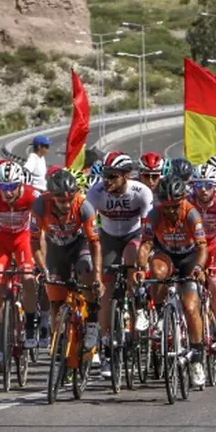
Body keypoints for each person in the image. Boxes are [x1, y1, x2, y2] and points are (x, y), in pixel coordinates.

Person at [86, 151, 154, 378]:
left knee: (133, 254)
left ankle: (140, 302)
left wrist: (140, 264)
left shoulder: (141, 192)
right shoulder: (96, 192)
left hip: (134, 236)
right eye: (105, 175)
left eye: (112, 176)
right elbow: (86, 226)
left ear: (126, 175)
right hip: (108, 238)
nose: (107, 180)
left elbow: (147, 232)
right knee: (105, 294)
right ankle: (106, 346)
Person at [136, 176, 208, 387]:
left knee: (190, 305)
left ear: (182, 201)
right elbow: (146, 244)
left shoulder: (191, 214)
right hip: (165, 254)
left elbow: (202, 247)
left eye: (175, 206)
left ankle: (196, 358)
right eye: (166, 207)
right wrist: (140, 268)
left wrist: (198, 268)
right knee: (156, 272)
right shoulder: (154, 215)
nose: (170, 211)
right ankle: (159, 315)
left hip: (189, 258)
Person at [0, 161, 40, 368]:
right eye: (3, 187)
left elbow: (42, 231)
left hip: (23, 239)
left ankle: (29, 324)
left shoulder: (33, 196)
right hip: (0, 242)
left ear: (20, 184)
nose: (8, 192)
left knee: (28, 278)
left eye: (12, 187)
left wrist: (41, 260)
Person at [31, 170, 102, 349]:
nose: (67, 204)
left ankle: (92, 322)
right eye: (62, 201)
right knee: (56, 301)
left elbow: (95, 244)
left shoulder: (84, 206)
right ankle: (60, 343)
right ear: (52, 197)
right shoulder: (40, 205)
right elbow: (34, 241)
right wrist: (42, 268)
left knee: (86, 271)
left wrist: (97, 277)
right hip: (56, 247)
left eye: (70, 199)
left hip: (80, 244)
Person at [190, 163, 216, 353]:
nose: (204, 190)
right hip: (195, 247)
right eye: (199, 185)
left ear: (215, 185)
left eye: (208, 185)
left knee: (215, 281)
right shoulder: (188, 203)